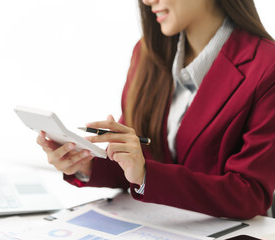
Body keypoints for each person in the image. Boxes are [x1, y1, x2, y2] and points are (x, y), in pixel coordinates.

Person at [37, 0, 275, 219]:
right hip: (154, 226)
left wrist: (145, 175)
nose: (147, 0)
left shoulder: (267, 66)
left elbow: (250, 193)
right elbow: (137, 165)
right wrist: (84, 163)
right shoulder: (146, 53)